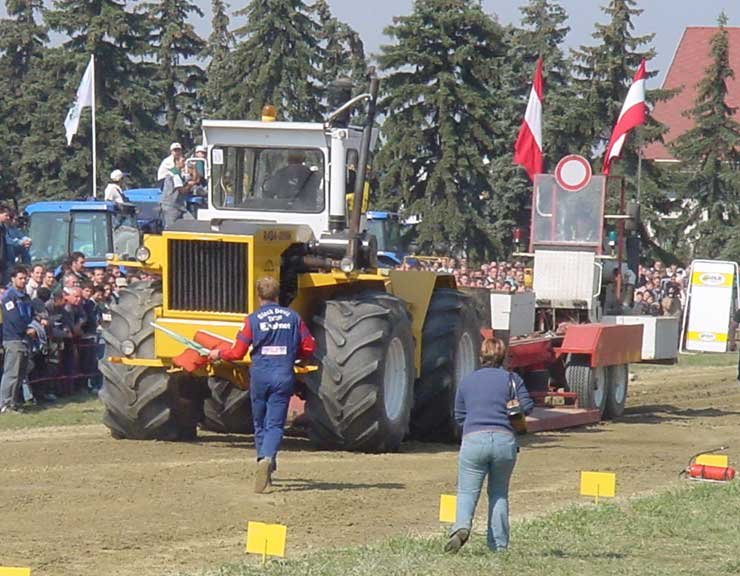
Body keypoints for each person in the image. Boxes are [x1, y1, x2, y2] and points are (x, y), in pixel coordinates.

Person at [207, 277, 316, 493]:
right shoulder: (293, 317)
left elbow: (238, 352)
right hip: (283, 375)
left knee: (259, 423)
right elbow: (309, 345)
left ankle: (262, 462)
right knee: (275, 425)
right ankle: (268, 460)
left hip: (259, 376)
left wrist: (218, 353)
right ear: (278, 295)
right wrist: (297, 356)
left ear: (259, 296)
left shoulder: (253, 320)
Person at [445, 337, 534, 554]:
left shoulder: (467, 381)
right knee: (498, 494)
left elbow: (459, 415)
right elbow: (528, 407)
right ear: (503, 357)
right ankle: (498, 546)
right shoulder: (512, 380)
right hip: (504, 441)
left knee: (466, 491)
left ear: (480, 356)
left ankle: (461, 527)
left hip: (474, 439)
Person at [0, 266, 36, 413]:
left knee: (21, 373)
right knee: (12, 373)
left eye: (25, 278)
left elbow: (30, 313)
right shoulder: (9, 296)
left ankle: (13, 402)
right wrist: (26, 329)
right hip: (14, 338)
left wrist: (34, 324)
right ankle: (5, 403)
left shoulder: (25, 296)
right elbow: (13, 317)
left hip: (24, 339)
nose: (23, 281)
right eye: (20, 278)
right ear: (13, 278)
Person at [161, 157, 200, 228]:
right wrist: (190, 185)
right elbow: (182, 190)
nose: (184, 163)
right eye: (182, 161)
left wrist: (194, 168)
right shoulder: (174, 174)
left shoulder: (180, 174)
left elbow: (195, 180)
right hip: (171, 206)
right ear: (176, 162)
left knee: (192, 223)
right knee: (171, 228)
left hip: (180, 206)